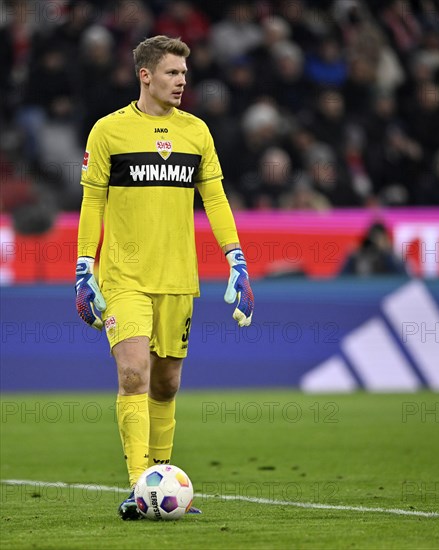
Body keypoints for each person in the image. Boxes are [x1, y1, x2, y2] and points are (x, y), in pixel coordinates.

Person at [74, 36, 254, 520]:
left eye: (184, 74)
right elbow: (92, 202)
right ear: (146, 75)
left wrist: (236, 259)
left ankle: (160, 475)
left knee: (167, 383)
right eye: (173, 73)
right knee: (134, 374)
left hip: (177, 278)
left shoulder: (196, 133)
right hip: (124, 277)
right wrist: (83, 267)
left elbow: (214, 199)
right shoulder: (108, 132)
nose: (181, 82)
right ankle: (139, 486)